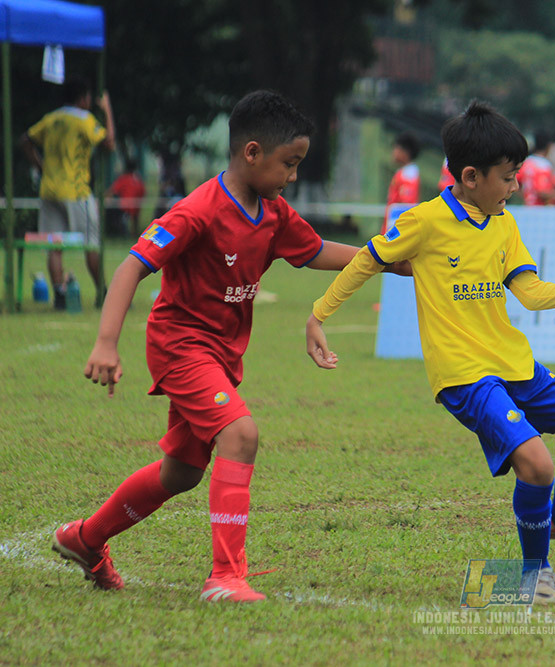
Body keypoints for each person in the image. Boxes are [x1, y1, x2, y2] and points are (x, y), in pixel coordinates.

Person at [305, 101, 555, 604]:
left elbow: (533, 294)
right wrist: (318, 315)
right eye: (508, 178)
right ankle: (535, 574)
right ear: (470, 176)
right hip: (465, 376)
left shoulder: (504, 223)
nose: (515, 187)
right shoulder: (423, 222)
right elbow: (367, 259)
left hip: (513, 361)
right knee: (537, 465)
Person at [53, 90, 385, 603]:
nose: (292, 177)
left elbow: (316, 249)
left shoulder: (271, 210)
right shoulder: (198, 210)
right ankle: (226, 577)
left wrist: (385, 258)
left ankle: (84, 538)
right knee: (241, 434)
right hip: (181, 346)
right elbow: (130, 267)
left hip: (222, 356)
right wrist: (105, 343)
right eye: (288, 164)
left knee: (181, 473)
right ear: (251, 153)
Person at [20, 78, 116, 310]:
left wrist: (40, 167)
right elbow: (109, 143)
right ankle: (102, 292)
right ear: (83, 98)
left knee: (54, 244)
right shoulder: (83, 119)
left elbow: (25, 140)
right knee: (92, 243)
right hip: (76, 191)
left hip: (49, 189)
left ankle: (60, 295)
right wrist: (107, 110)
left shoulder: (51, 119)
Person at [382, 132, 421, 234]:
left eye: (396, 148)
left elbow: (406, 206)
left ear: (405, 152)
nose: (393, 152)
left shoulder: (409, 175)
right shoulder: (404, 172)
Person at [517, 131, 555, 206]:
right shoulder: (543, 165)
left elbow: (516, 182)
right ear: (548, 146)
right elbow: (542, 191)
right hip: (539, 210)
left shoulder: (527, 162)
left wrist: (525, 196)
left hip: (527, 206)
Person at [106, 158, 146, 237]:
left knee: (110, 210)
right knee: (134, 215)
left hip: (124, 207)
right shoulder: (139, 180)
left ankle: (113, 232)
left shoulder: (123, 179)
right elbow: (143, 193)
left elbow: (112, 191)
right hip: (136, 207)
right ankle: (134, 233)